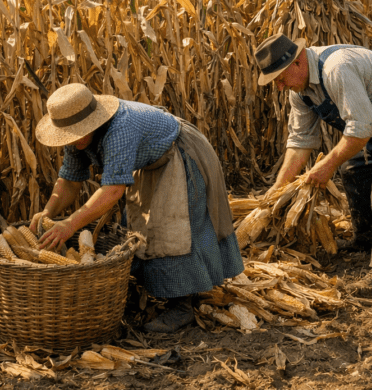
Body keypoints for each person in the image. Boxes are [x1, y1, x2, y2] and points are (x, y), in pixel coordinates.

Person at [31, 83, 244, 333]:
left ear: (92, 121)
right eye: (69, 135)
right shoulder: (76, 135)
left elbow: (113, 191)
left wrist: (70, 224)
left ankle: (182, 306)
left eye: (78, 133)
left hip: (178, 153)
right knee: (139, 227)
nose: (74, 140)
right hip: (150, 162)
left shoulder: (120, 127)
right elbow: (69, 181)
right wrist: (48, 212)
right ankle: (151, 289)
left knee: (173, 230)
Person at [255, 33, 372, 297]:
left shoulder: (336, 68)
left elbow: (361, 129)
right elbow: (300, 142)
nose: (280, 87)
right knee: (353, 171)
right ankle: (366, 239)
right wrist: (278, 189)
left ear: (297, 61)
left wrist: (326, 165)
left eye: (281, 78)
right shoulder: (300, 93)